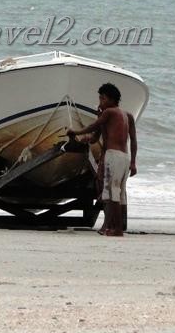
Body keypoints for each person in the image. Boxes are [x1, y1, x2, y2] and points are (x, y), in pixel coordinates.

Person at [67, 82, 137, 236]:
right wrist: (133, 162)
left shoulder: (109, 113)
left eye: (102, 99)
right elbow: (132, 139)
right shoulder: (128, 115)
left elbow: (93, 126)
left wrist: (75, 131)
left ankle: (116, 229)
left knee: (112, 193)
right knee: (120, 192)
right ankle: (115, 226)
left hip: (113, 155)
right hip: (125, 157)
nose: (100, 102)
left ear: (111, 100)